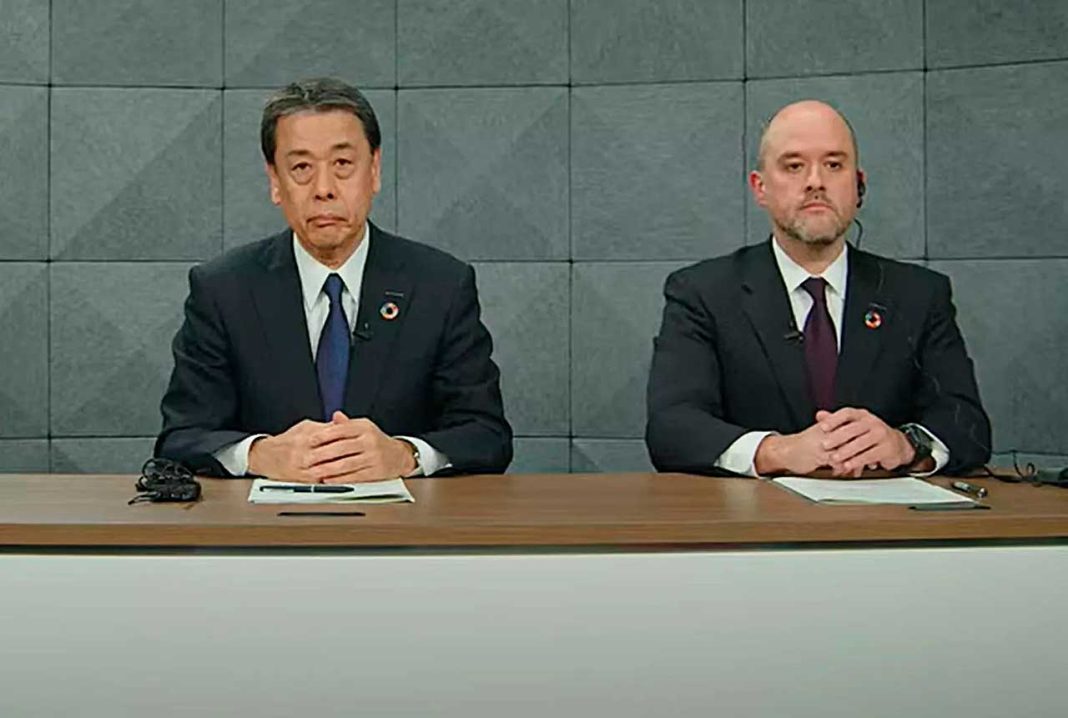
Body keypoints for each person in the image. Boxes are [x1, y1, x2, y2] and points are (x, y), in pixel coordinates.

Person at [156, 78, 512, 481]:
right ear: (275, 181)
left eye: (342, 164)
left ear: (374, 171)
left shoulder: (440, 286)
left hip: (404, 518)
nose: (323, 189)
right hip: (265, 519)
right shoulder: (223, 290)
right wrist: (258, 454)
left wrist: (405, 455)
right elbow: (181, 437)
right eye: (301, 168)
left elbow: (487, 435)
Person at [646, 100, 990, 477]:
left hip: (883, 510)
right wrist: (777, 451)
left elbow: (968, 424)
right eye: (794, 166)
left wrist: (907, 445)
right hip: (753, 511)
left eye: (834, 165)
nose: (815, 182)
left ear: (858, 185)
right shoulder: (702, 293)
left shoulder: (919, 295)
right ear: (760, 188)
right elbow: (672, 428)